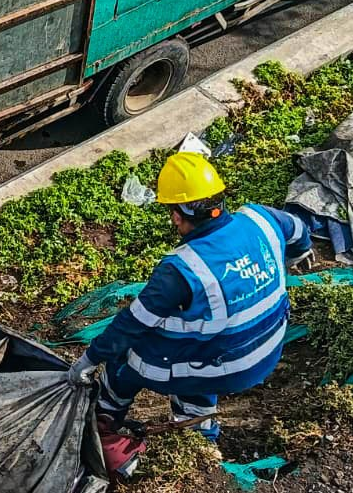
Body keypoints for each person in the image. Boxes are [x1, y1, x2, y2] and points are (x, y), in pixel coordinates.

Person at [66, 152, 310, 443]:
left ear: (177, 215)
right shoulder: (261, 218)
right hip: (268, 349)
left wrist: (89, 360)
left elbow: (131, 324)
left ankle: (105, 417)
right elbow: (298, 230)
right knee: (201, 352)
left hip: (228, 364)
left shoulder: (182, 269)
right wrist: (299, 254)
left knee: (124, 358)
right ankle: (199, 431)